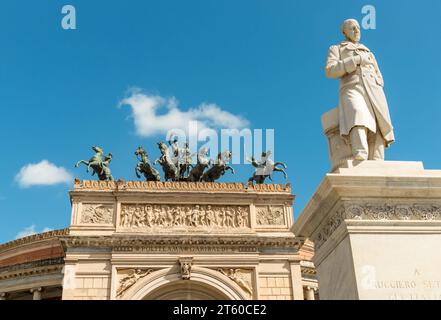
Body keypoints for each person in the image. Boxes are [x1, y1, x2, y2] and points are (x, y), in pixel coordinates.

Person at [325, 19, 395, 161]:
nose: (357, 31)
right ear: (344, 32)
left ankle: (377, 158)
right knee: (357, 114)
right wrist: (355, 60)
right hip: (352, 86)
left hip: (373, 88)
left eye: (358, 28)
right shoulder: (337, 48)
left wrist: (378, 83)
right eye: (352, 28)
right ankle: (360, 155)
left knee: (378, 121)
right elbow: (330, 70)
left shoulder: (368, 51)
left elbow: (378, 73)